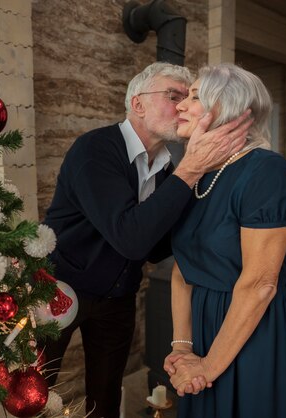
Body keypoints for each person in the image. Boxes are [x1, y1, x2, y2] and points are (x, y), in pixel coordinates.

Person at [41, 61, 252, 417]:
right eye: (174, 96)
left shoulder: (168, 169)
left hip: (119, 298)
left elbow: (155, 246)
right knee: (32, 389)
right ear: (138, 104)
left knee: (105, 397)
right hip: (59, 289)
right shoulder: (94, 149)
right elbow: (131, 238)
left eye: (189, 98)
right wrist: (191, 170)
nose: (184, 106)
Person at [163, 63, 286, 418]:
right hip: (208, 325)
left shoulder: (265, 170)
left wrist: (207, 368)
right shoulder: (193, 173)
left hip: (265, 327)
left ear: (226, 110)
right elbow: (183, 270)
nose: (179, 105)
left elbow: (259, 284)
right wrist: (183, 349)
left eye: (194, 97)